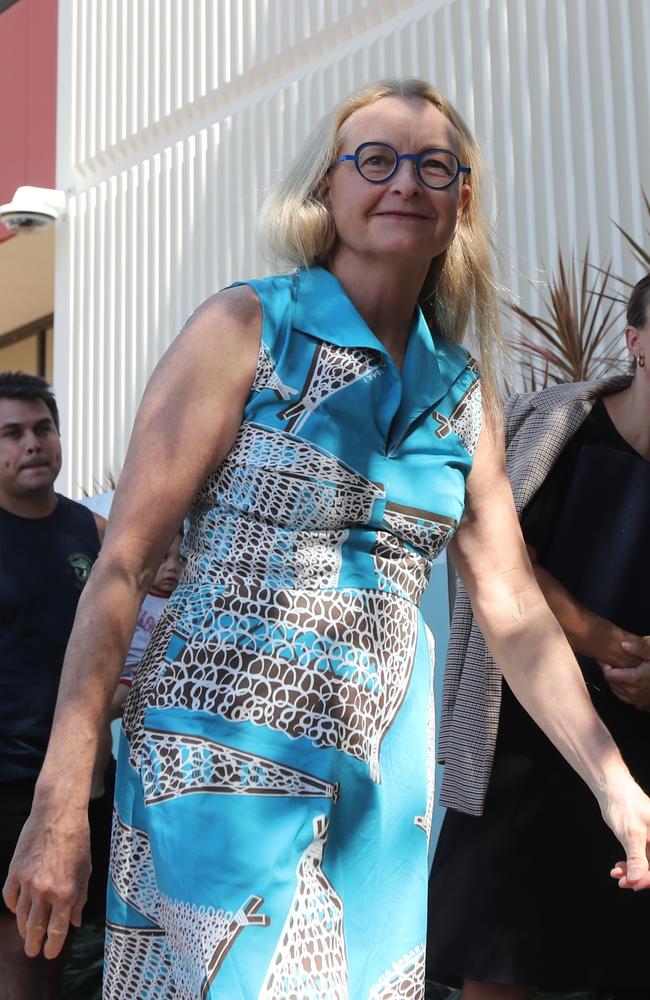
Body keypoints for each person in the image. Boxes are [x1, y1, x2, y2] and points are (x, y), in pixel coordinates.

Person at [4, 80, 650, 1000]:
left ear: (460, 202)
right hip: (217, 761)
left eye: (435, 166)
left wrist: (617, 786)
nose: (404, 183)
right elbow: (125, 564)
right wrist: (62, 799)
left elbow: (514, 610)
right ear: (327, 191)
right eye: (375, 160)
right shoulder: (246, 328)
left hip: (379, 787)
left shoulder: (461, 392)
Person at [426, 273, 650, 999]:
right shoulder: (558, 429)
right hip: (527, 736)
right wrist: (605, 639)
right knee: (502, 961)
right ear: (635, 342)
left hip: (641, 752)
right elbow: (504, 565)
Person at [0, 372, 108, 1000]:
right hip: (8, 788)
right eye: (10, 434)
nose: (31, 443)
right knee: (21, 965)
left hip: (79, 785)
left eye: (42, 428)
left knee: (49, 964)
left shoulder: (93, 536)